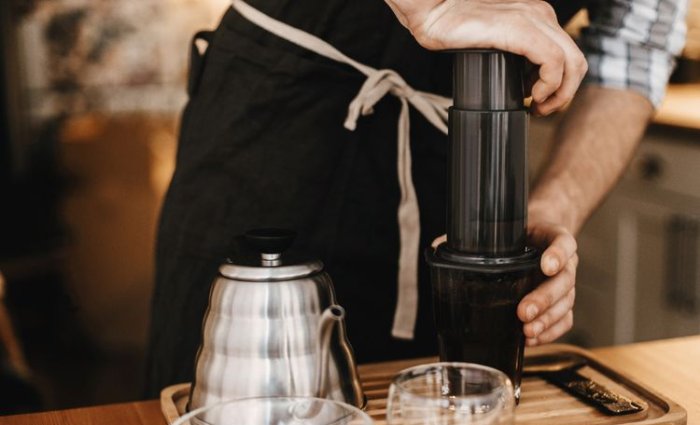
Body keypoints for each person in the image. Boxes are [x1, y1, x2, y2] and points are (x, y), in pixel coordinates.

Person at [144, 0, 687, 396]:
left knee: (426, 413)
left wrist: (550, 213)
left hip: (450, 167)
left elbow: (632, 45)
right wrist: (433, 5)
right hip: (276, 118)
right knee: (222, 395)